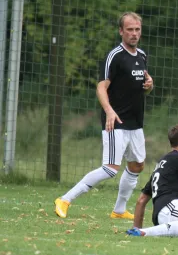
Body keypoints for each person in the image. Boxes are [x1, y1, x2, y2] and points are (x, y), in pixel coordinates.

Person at [54, 12, 153, 219]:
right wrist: (109, 110)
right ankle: (65, 199)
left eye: (137, 30)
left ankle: (118, 210)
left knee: (137, 165)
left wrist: (149, 86)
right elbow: (101, 87)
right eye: (130, 30)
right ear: (121, 31)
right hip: (115, 121)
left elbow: (139, 87)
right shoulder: (114, 56)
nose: (134, 34)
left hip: (136, 122)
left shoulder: (142, 56)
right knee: (110, 168)